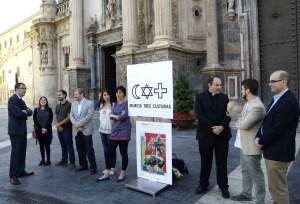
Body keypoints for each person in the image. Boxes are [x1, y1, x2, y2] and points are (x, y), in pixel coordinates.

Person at [256, 70, 299, 204]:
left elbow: (278, 129)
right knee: (276, 188)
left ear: (284, 82)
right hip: (274, 151)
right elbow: (267, 122)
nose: (269, 84)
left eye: (273, 81)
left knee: (277, 189)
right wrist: (259, 136)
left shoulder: (288, 101)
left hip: (279, 152)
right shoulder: (279, 99)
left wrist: (261, 141)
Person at [227, 79, 266, 203]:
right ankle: (246, 193)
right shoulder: (248, 104)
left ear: (247, 90)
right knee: (245, 171)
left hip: (251, 146)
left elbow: (243, 125)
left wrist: (237, 119)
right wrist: (230, 111)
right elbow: (240, 119)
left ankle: (260, 200)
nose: (241, 91)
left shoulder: (257, 107)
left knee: (256, 175)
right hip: (243, 144)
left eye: (242, 89)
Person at [195, 77, 232, 198]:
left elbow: (228, 114)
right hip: (206, 135)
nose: (219, 87)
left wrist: (221, 127)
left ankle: (223, 187)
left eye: (220, 84)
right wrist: (213, 128)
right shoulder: (200, 97)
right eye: (217, 85)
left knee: (222, 162)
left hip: (222, 135)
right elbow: (199, 115)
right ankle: (203, 184)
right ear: (209, 85)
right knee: (206, 161)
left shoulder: (224, 97)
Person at [98, 85, 131, 182]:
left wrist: (115, 116)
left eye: (120, 92)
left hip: (124, 131)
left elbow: (123, 117)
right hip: (115, 130)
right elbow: (114, 116)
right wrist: (116, 115)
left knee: (123, 152)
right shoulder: (116, 104)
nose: (118, 94)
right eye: (117, 92)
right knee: (109, 151)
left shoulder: (127, 104)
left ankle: (122, 173)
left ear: (124, 93)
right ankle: (107, 172)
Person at [8, 83, 34, 185]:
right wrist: (24, 112)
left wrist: (25, 111)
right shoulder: (12, 99)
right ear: (17, 89)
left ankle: (21, 171)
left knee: (22, 151)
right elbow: (18, 113)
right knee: (16, 153)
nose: (25, 90)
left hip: (22, 130)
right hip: (15, 131)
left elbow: (30, 112)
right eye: (23, 88)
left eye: (25, 88)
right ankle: (13, 175)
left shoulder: (21, 100)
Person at [70, 88, 97, 175]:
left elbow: (89, 116)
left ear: (81, 94)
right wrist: (76, 125)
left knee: (89, 149)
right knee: (79, 148)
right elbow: (71, 116)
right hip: (77, 130)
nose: (74, 96)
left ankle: (93, 166)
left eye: (76, 94)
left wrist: (80, 124)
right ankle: (83, 165)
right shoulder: (73, 104)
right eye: (74, 94)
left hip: (86, 129)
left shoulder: (89, 103)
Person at [54, 90, 76, 170]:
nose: (58, 96)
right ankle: (64, 160)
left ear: (65, 95)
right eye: (57, 95)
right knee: (63, 145)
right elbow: (55, 116)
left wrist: (59, 124)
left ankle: (72, 162)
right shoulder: (57, 106)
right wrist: (57, 125)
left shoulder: (69, 105)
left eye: (59, 95)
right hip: (59, 129)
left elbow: (68, 117)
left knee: (69, 145)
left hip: (67, 129)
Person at [98, 89, 116, 175]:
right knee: (105, 149)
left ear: (110, 95)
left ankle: (112, 167)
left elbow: (116, 117)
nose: (106, 96)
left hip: (111, 130)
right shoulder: (102, 105)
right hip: (102, 130)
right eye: (104, 95)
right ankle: (107, 167)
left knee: (111, 149)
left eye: (107, 95)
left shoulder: (114, 105)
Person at [33, 96, 53, 166]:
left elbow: (50, 120)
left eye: (44, 100)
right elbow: (35, 121)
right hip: (39, 131)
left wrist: (45, 128)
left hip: (47, 130)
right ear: (39, 101)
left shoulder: (49, 110)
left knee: (47, 145)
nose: (43, 101)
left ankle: (48, 160)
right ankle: (43, 159)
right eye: (42, 100)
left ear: (46, 101)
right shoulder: (36, 110)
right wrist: (41, 128)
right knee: (41, 145)